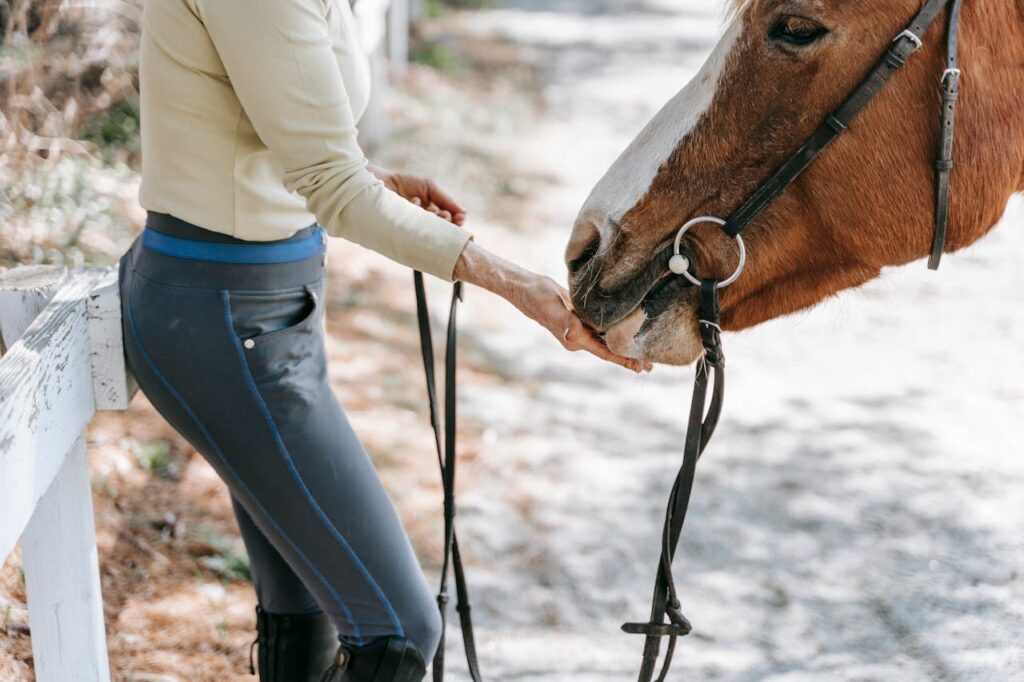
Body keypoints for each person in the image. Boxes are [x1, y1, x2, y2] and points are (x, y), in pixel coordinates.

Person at [118, 0, 645, 680]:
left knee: (304, 595)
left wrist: (373, 182)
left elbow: (274, 131)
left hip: (265, 312)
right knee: (398, 631)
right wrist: (521, 287)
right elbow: (330, 187)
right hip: (221, 318)